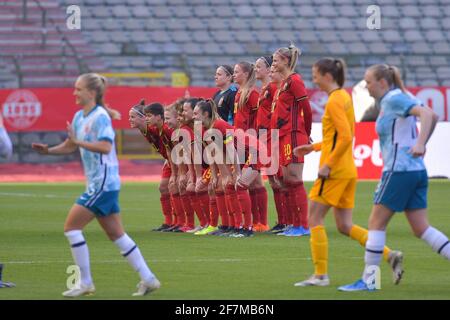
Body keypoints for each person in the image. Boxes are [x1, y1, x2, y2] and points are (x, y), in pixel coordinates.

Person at [32, 73, 160, 297]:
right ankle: (148, 279)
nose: (74, 93)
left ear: (91, 93)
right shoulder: (80, 116)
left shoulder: (100, 117)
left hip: (103, 182)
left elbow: (104, 147)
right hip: (100, 182)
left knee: (72, 229)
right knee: (117, 235)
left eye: (78, 89)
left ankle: (86, 283)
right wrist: (49, 150)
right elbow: (71, 145)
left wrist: (78, 141)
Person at [293, 58, 403, 287]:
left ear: (327, 76)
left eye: (315, 74)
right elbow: (338, 136)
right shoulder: (344, 96)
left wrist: (328, 165)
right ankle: (389, 254)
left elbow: (345, 137)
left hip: (334, 172)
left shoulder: (335, 100)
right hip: (347, 170)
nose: (313, 79)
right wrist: (313, 147)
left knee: (313, 218)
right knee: (344, 225)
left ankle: (320, 275)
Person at [338, 64, 449, 292]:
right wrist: (421, 145)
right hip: (416, 171)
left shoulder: (392, 99)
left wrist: (420, 143)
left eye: (368, 82)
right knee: (421, 228)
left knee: (375, 224)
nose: (366, 86)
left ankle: (370, 281)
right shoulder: (402, 96)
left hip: (399, 171)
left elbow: (428, 114)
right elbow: (433, 115)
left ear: (381, 82)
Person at [271, 43, 311, 236]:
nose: (273, 63)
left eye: (276, 60)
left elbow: (307, 108)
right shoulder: (284, 83)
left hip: (294, 134)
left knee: (294, 179)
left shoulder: (295, 80)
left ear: (285, 61)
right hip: (285, 134)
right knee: (287, 180)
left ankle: (303, 225)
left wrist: (307, 132)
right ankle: (295, 225)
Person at [128, 100, 174, 231]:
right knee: (164, 188)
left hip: (178, 161)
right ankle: (169, 222)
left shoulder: (156, 129)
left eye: (132, 117)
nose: (129, 120)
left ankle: (181, 223)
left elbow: (174, 146)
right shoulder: (145, 130)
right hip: (170, 160)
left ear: (143, 118)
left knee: (177, 188)